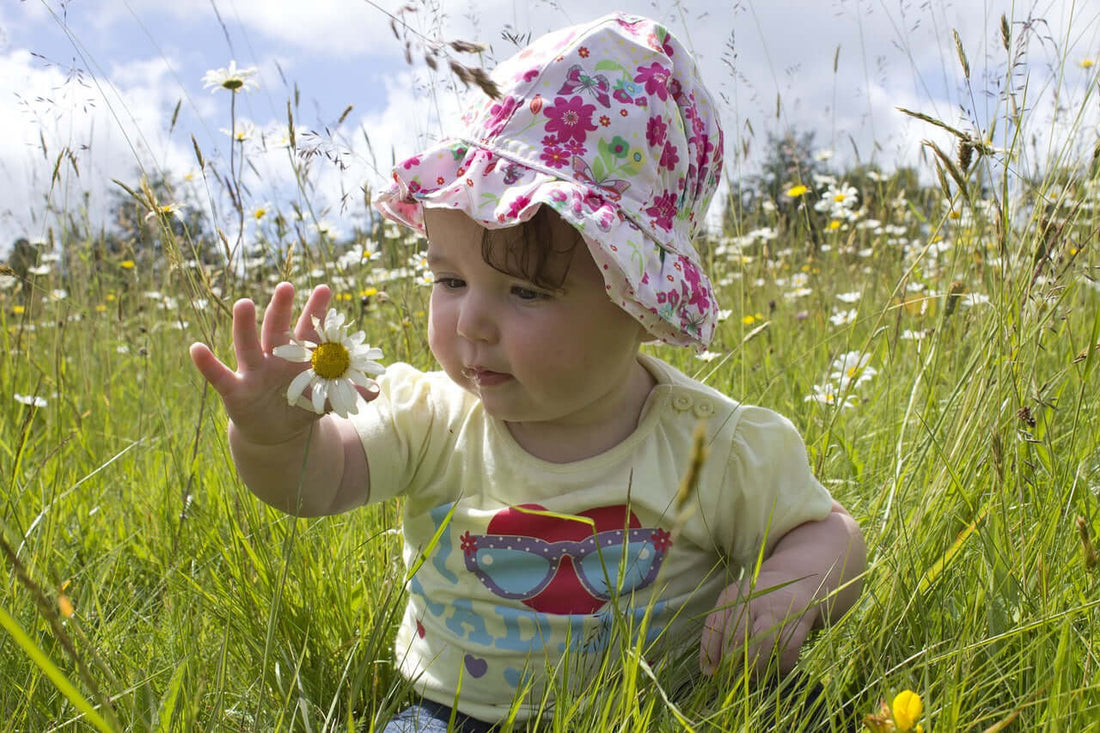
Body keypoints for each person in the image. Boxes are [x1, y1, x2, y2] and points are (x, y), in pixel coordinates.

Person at [189, 12, 866, 731]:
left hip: (672, 709)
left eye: (527, 291)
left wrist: (787, 595)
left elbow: (831, 535)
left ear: (638, 301)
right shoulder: (430, 417)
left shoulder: (713, 444)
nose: (470, 323)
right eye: (450, 280)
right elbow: (317, 482)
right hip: (456, 716)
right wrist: (272, 439)